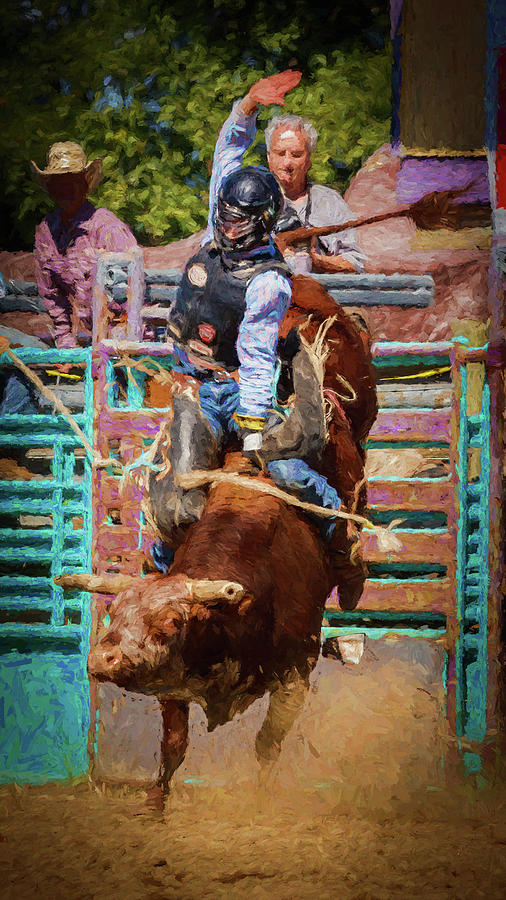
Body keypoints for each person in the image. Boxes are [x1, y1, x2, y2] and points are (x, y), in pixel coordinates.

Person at [149, 161, 342, 569]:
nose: (227, 227)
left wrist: (252, 428)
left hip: (247, 389)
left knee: (286, 469)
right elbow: (226, 157)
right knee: (175, 495)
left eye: (239, 222)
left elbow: (257, 358)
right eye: (224, 217)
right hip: (196, 388)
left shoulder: (268, 282)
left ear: (262, 223)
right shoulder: (213, 240)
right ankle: (165, 567)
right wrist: (247, 108)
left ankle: (334, 521)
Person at [206, 70, 365, 275]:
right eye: (280, 153)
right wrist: (249, 102)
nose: (287, 162)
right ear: (269, 156)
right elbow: (226, 153)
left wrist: (315, 261)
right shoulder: (244, 194)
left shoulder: (329, 202)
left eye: (297, 154)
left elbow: (356, 265)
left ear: (308, 160)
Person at [31, 141, 138, 349]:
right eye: (58, 182)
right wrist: (65, 339)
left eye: (71, 181)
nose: (65, 190)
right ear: (51, 188)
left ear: (84, 184)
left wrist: (109, 345)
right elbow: (52, 295)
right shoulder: (47, 231)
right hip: (83, 341)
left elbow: (128, 299)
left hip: (119, 338)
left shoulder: (108, 229)